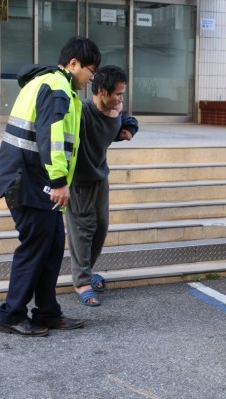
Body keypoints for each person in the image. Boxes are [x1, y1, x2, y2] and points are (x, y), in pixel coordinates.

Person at [0, 36, 101, 336]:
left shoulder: (55, 85)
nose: (91, 77)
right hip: (28, 179)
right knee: (36, 247)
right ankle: (12, 315)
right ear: (74, 63)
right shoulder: (56, 86)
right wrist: (58, 181)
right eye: (90, 70)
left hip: (32, 178)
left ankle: (47, 313)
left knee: (52, 245)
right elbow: (51, 135)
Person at [66, 65, 139, 306]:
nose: (120, 99)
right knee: (82, 229)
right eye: (117, 94)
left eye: (122, 94)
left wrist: (129, 129)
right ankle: (81, 281)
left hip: (100, 176)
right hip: (78, 181)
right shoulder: (82, 112)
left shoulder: (116, 112)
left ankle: (86, 270)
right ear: (100, 91)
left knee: (101, 227)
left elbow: (130, 120)